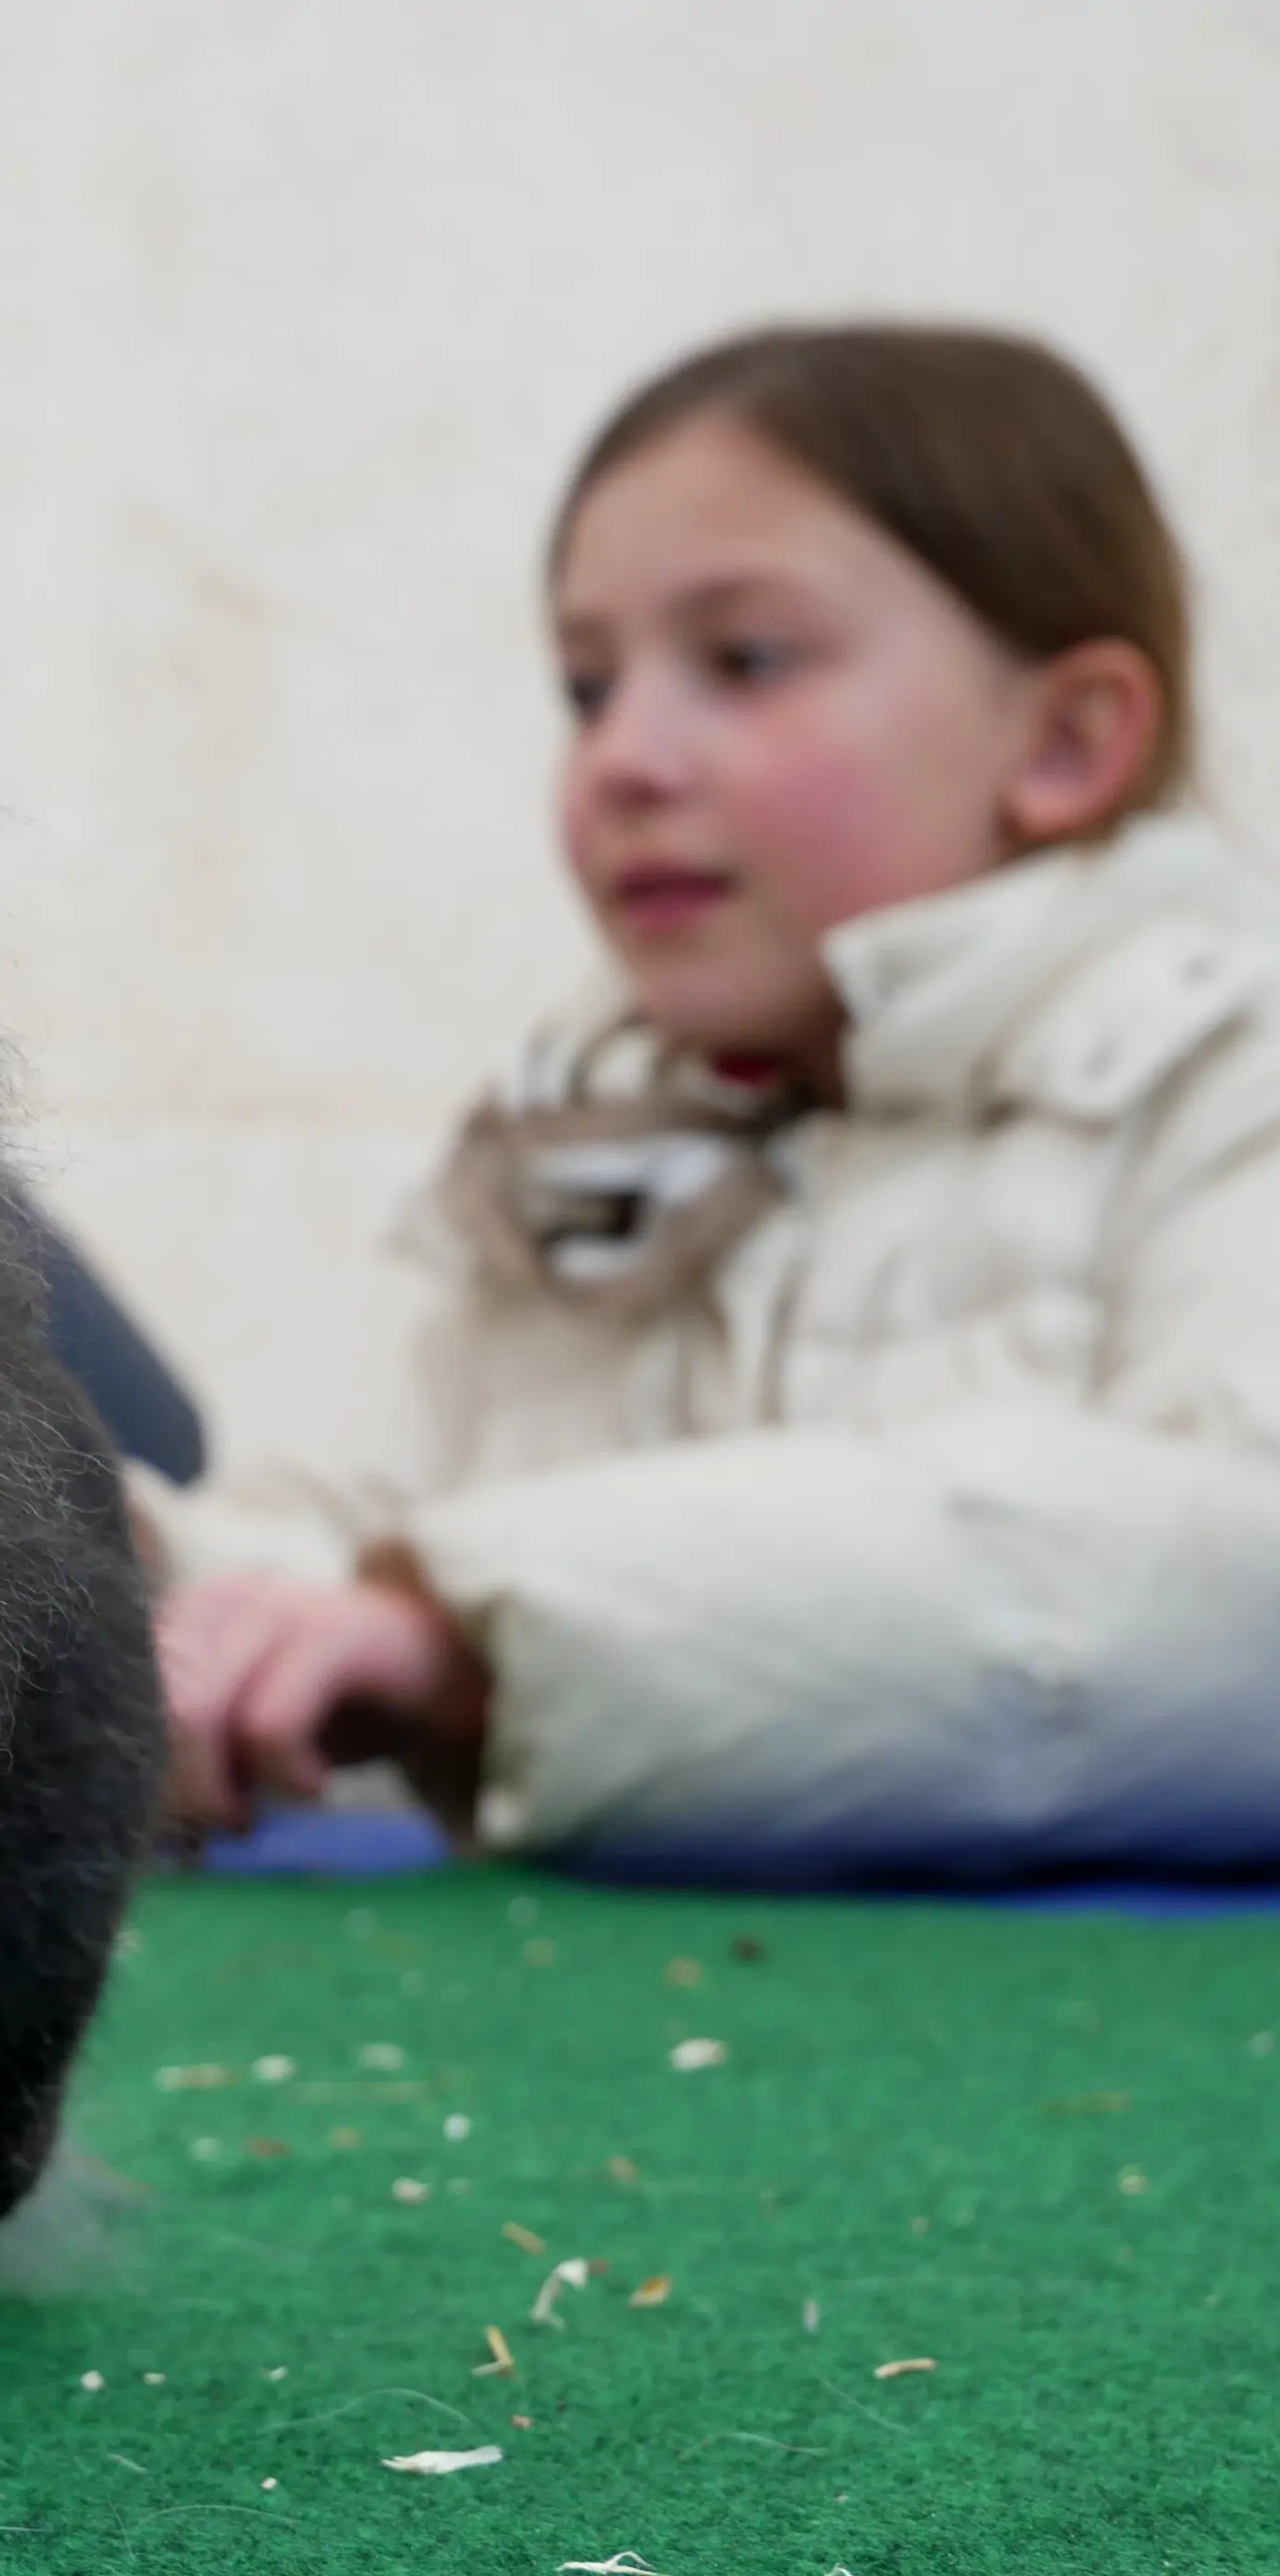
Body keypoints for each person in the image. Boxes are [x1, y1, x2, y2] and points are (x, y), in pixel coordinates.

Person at [154, 325, 1280, 1876]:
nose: (623, 757)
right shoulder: (585, 1158)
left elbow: (1231, 1583)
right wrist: (89, 1583)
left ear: (1070, 741)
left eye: (745, 661)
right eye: (586, 686)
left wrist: (479, 1627)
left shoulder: (1228, 1083)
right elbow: (349, 1556)